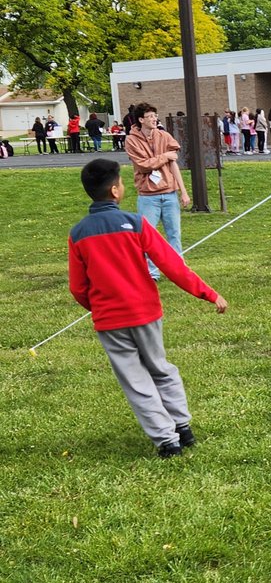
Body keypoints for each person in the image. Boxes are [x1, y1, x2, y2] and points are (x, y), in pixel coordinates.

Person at [68, 158, 227, 458]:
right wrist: (208, 293)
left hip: (110, 322)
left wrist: (99, 307)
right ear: (115, 190)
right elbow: (171, 265)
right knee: (161, 368)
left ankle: (168, 440)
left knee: (136, 380)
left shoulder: (78, 234)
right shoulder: (136, 223)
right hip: (145, 314)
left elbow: (78, 287)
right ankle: (181, 429)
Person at [124, 103, 191, 281]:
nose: (154, 119)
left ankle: (178, 270)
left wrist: (183, 191)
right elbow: (143, 166)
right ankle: (152, 273)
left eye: (155, 115)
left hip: (169, 193)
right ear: (140, 120)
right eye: (150, 116)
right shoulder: (131, 140)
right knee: (149, 236)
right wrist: (165, 157)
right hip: (148, 196)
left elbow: (173, 163)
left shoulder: (164, 136)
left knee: (174, 233)